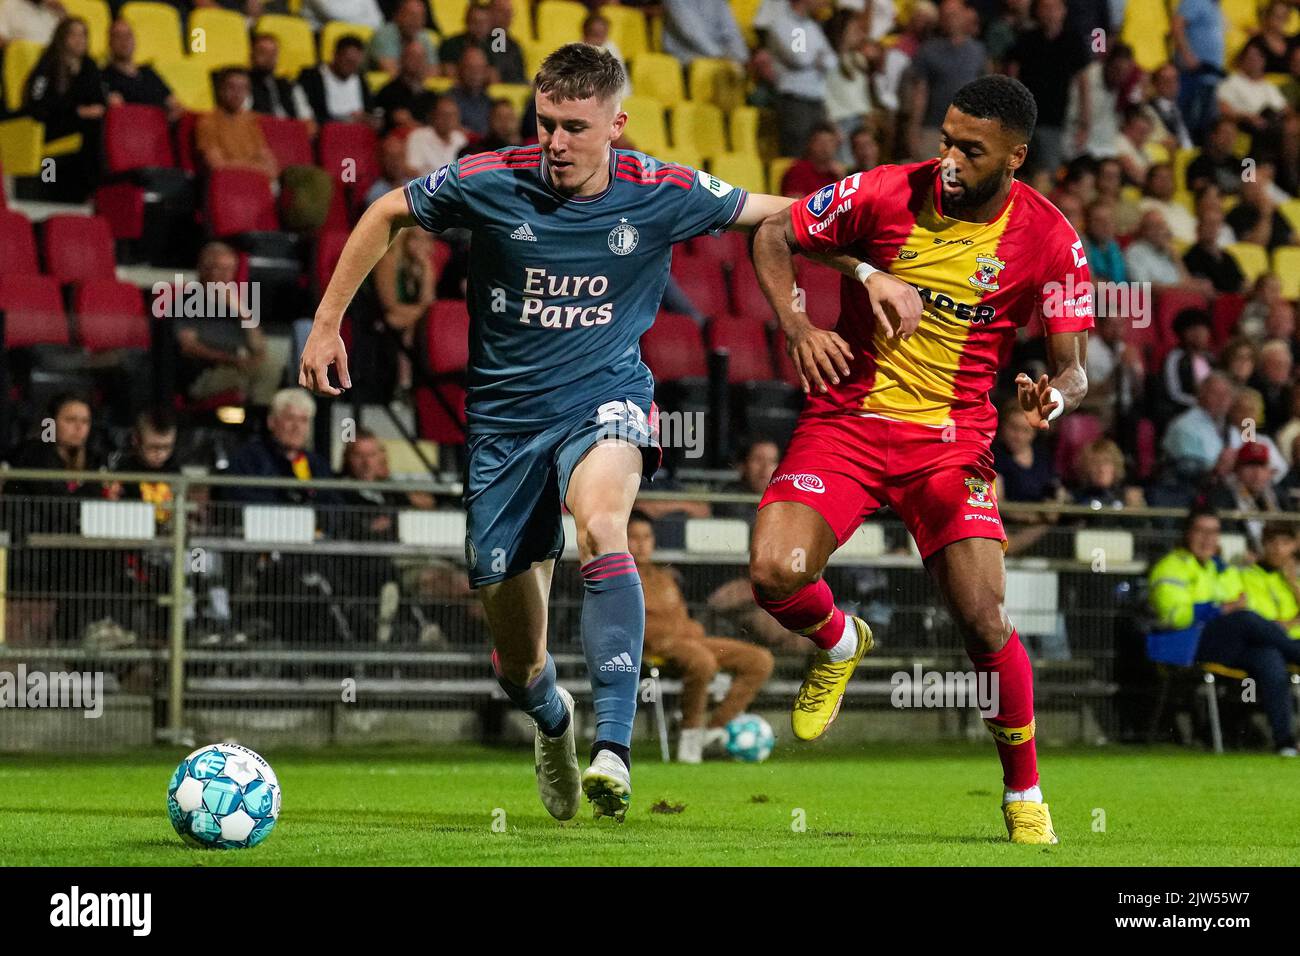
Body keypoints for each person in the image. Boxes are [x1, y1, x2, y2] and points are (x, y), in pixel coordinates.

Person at [298, 43, 866, 823]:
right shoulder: (492, 179)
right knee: (517, 663)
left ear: (616, 125)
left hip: (604, 400)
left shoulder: (660, 190)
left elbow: (780, 213)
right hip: (501, 429)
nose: (555, 143)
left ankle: (614, 748)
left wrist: (872, 266)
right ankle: (554, 721)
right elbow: (386, 210)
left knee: (603, 527)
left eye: (573, 126)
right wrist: (328, 325)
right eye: (545, 124)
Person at [750, 74, 1092, 844]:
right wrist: (798, 326)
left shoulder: (1050, 238)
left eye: (971, 149)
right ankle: (841, 640)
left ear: (1016, 156)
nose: (950, 158)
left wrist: (1055, 397)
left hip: (950, 443)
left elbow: (1073, 365)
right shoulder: (881, 192)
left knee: (984, 617)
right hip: (846, 422)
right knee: (774, 573)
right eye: (945, 138)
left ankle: (1024, 794)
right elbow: (773, 234)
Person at [1148, 507, 1300, 756]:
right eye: (1201, 531)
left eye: (1214, 532)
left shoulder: (1221, 569)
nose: (1208, 539)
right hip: (1188, 643)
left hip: (1226, 644)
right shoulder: (1171, 567)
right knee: (1245, 619)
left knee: (1269, 656)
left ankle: (1285, 743)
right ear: (1187, 534)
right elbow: (1173, 617)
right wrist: (1219, 609)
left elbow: (1242, 603)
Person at [629, 511, 775, 763]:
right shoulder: (620, 578)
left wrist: (690, 631)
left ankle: (716, 727)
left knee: (759, 660)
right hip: (653, 650)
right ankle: (690, 737)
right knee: (702, 660)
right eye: (633, 537)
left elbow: (681, 620)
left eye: (647, 536)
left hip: (688, 643)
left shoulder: (664, 577)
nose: (642, 544)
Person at [176, 242, 287, 407]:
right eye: (214, 268)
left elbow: (258, 347)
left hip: (237, 366)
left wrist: (241, 310)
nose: (220, 275)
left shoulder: (237, 303)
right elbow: (188, 346)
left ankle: (259, 419)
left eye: (226, 270)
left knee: (271, 365)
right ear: (203, 270)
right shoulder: (187, 302)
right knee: (261, 373)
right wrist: (232, 360)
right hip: (204, 374)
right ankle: (259, 419)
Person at [22, 17, 106, 202]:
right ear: (62, 37)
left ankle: (97, 191)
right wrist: (76, 111)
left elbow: (99, 99)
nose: (79, 39)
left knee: (102, 127)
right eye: (73, 34)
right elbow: (36, 103)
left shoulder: (89, 65)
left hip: (83, 125)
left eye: (83, 34)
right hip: (51, 126)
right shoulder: (48, 64)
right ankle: (56, 190)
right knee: (90, 131)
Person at [196, 69, 279, 181]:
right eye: (232, 87)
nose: (237, 93)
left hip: (257, 182)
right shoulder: (208, 122)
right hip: (229, 184)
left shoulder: (251, 122)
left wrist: (246, 167)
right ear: (220, 90)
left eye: (242, 88)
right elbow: (217, 165)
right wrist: (256, 168)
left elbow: (271, 166)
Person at [102, 18, 181, 121]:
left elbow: (174, 103)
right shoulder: (104, 76)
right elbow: (119, 114)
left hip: (160, 128)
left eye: (128, 35)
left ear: (135, 40)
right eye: (118, 36)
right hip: (132, 131)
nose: (124, 41)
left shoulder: (148, 73)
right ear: (109, 42)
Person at [298, 36, 379, 127]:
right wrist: (346, 120)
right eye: (347, 61)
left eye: (354, 63)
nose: (351, 67)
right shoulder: (312, 77)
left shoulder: (360, 79)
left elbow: (369, 111)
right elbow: (307, 114)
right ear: (335, 55)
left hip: (357, 134)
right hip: (326, 133)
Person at [1240, 523, 1300, 640]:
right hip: (1272, 643)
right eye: (1272, 542)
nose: (1278, 549)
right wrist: (1293, 622)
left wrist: (1292, 584)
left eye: (1285, 543)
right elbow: (1265, 625)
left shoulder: (1293, 580)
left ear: (1294, 546)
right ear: (1263, 544)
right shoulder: (1247, 576)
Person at [374, 39, 439, 135]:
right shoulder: (388, 92)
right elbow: (400, 121)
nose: (417, 62)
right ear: (401, 60)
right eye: (412, 57)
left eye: (421, 58)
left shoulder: (431, 96)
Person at [662, 0, 748, 67]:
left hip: (718, 59)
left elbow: (730, 31)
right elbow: (690, 31)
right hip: (684, 58)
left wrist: (741, 57)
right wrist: (720, 56)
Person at [370, 0, 438, 76]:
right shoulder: (384, 35)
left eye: (420, 17)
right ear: (398, 16)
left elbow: (433, 72)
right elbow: (390, 71)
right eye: (411, 15)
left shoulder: (424, 37)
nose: (416, 21)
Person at [405, 95, 468, 174]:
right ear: (433, 116)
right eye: (444, 115)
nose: (448, 120)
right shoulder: (418, 136)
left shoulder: (460, 139)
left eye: (453, 115)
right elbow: (412, 169)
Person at [780, 122, 844, 197]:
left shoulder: (836, 173)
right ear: (809, 144)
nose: (825, 147)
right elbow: (794, 204)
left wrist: (841, 180)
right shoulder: (798, 171)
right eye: (820, 142)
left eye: (830, 142)